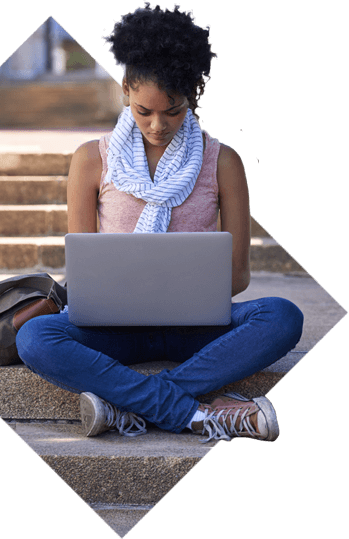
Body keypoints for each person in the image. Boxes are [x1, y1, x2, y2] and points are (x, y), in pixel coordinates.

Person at [16, 3, 304, 442]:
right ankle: (196, 414)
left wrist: (184, 292)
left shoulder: (223, 161)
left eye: (173, 111)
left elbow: (239, 276)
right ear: (126, 88)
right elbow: (83, 274)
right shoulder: (91, 160)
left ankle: (128, 404)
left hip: (197, 329)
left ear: (193, 95)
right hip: (114, 330)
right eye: (144, 110)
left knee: (282, 316)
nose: (157, 125)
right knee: (36, 337)